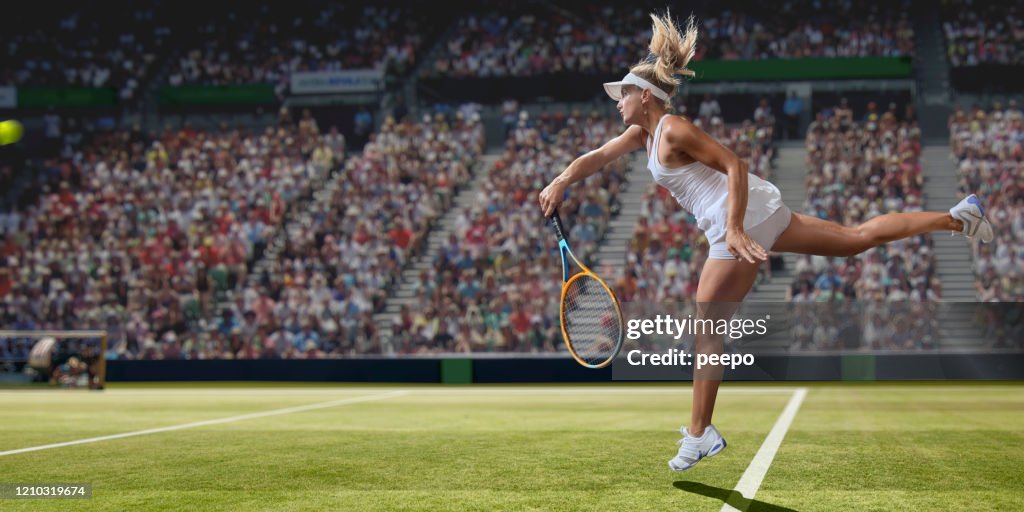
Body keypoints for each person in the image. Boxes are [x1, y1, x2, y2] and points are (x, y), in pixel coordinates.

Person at [537, 10, 994, 472]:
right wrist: (560, 181)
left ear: (646, 97)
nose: (619, 102)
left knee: (707, 329)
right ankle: (957, 219)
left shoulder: (673, 128)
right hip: (761, 211)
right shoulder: (644, 134)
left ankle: (699, 434)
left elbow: (734, 164)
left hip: (737, 216)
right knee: (855, 239)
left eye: (625, 94)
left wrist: (734, 228)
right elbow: (596, 157)